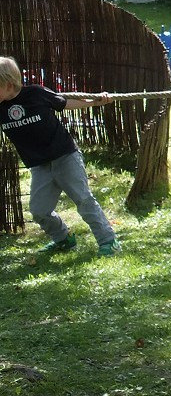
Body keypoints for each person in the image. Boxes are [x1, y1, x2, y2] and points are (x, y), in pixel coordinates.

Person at [0, 56, 121, 256]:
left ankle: (109, 240)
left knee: (83, 200)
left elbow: (64, 103)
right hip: (40, 166)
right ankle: (63, 239)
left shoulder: (36, 94)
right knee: (39, 211)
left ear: (8, 84)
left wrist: (95, 100)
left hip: (65, 156)